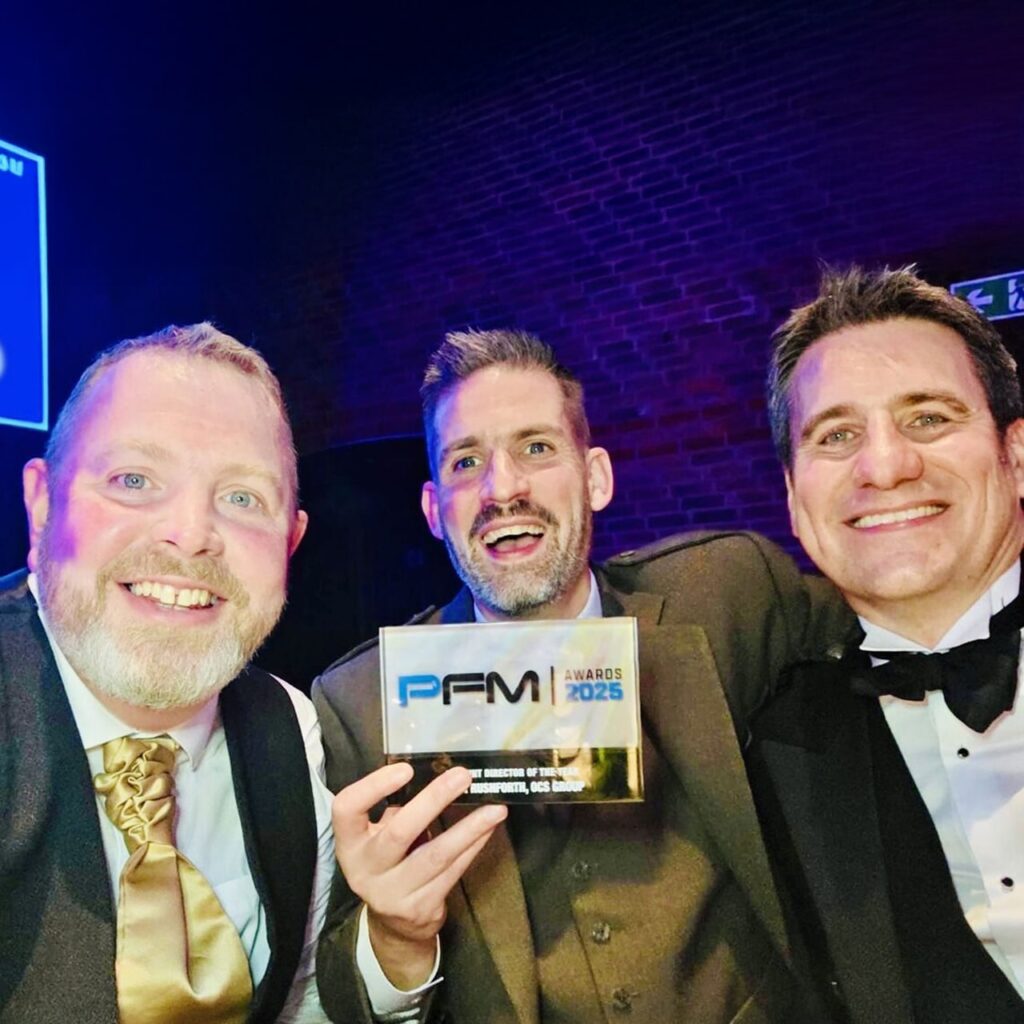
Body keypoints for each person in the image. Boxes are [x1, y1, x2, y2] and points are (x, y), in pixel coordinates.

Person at [313, 328, 846, 1023]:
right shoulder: (360, 701)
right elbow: (337, 985)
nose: (503, 488)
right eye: (466, 462)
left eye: (536, 448)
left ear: (596, 478)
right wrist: (394, 937)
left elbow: (896, 626)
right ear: (432, 510)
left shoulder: (726, 592)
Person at [0, 323, 334, 1023]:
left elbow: (298, 1000)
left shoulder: (290, 730)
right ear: (41, 505)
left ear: (290, 543)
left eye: (242, 498)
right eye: (133, 480)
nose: (189, 534)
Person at [752, 266, 1024, 1023]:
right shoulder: (763, 749)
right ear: (794, 500)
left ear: (1018, 454)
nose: (886, 466)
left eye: (929, 419)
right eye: (836, 436)